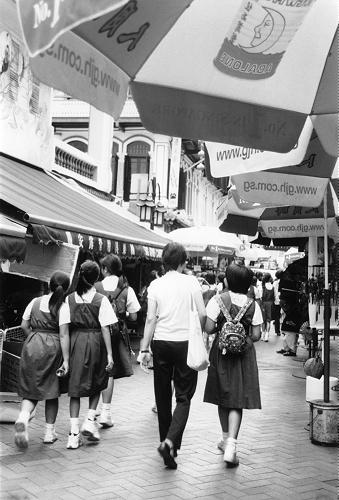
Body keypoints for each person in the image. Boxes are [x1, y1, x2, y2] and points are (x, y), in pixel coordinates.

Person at [138, 242, 206, 470]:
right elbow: (203, 313)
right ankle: (170, 443)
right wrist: (201, 332)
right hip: (185, 343)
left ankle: (166, 444)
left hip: (161, 343)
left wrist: (144, 349)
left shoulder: (155, 285)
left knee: (162, 396)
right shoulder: (191, 282)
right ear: (182, 261)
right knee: (184, 397)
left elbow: (150, 319)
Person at [203, 263, 263, 467]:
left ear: (227, 281)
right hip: (243, 357)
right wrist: (240, 338)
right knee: (237, 399)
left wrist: (225, 333)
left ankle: (225, 438)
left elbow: (209, 328)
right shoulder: (253, 305)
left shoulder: (217, 300)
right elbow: (256, 335)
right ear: (248, 285)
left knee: (222, 395)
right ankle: (231, 446)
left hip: (221, 354)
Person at [14, 271, 71, 449]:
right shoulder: (63, 307)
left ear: (49, 285)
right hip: (53, 348)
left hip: (32, 345)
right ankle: (49, 433)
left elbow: (24, 325)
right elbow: (64, 335)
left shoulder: (35, 302)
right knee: (51, 391)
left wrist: (34, 337)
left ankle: (23, 417)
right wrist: (66, 360)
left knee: (31, 389)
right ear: (66, 288)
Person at [65, 260, 115, 449]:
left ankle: (73, 433)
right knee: (97, 381)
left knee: (75, 388)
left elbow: (64, 327)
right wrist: (110, 354)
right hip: (95, 342)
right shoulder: (101, 299)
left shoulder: (69, 299)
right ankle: (89, 419)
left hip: (75, 341)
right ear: (96, 278)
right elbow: (105, 328)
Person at [94, 254, 140, 428]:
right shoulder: (127, 289)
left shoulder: (96, 286)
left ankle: (95, 409)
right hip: (116, 332)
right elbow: (134, 316)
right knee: (109, 370)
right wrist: (122, 314)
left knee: (98, 368)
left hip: (97, 331)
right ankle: (105, 411)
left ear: (105, 269)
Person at [261, 273, 275, 342]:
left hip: (264, 303)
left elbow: (261, 296)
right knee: (268, 320)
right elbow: (274, 297)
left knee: (263, 320)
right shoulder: (272, 286)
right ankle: (267, 335)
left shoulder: (263, 286)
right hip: (271, 304)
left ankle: (262, 335)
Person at [273, 269, 283, 335]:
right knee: (284, 316)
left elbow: (273, 292)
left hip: (276, 301)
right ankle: (285, 331)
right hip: (283, 301)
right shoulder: (285, 282)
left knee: (277, 316)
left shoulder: (275, 283)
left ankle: (277, 331)